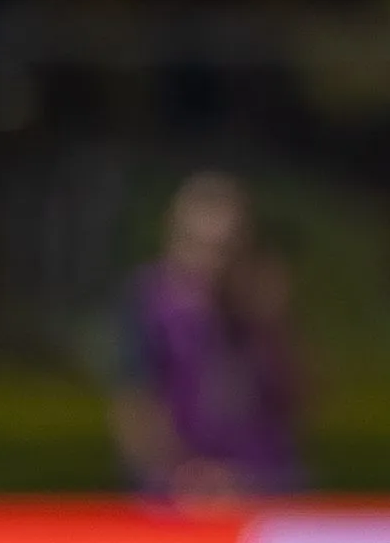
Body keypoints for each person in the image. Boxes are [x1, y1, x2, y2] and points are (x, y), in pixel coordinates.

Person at [111, 171, 302, 499]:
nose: (212, 263)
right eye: (201, 246)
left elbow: (300, 400)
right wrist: (183, 477)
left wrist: (274, 330)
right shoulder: (150, 305)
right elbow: (135, 405)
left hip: (262, 488)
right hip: (176, 497)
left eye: (226, 248)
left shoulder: (260, 306)